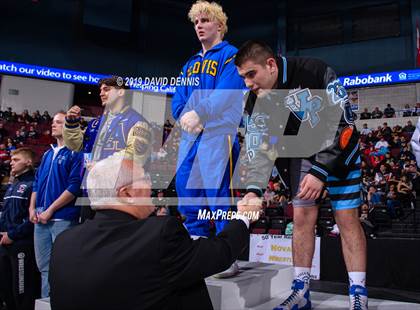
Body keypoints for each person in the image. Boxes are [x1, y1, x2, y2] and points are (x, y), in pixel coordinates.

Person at [235, 40, 368, 310]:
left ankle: (358, 294)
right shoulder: (253, 100)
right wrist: (253, 189)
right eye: (243, 77)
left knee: (347, 220)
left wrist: (320, 171)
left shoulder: (315, 71)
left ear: (270, 65)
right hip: (299, 157)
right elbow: (258, 148)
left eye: (251, 74)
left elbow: (344, 122)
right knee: (302, 219)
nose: (248, 83)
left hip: (339, 155)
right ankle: (301, 291)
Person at [49, 156, 262, 310]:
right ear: (127, 193)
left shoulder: (63, 242)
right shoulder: (159, 234)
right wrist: (243, 216)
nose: (152, 185)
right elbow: (221, 253)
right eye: (145, 178)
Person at [171, 0, 245, 277]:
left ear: (220, 25)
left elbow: (227, 92)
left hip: (218, 133)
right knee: (186, 190)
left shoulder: (231, 56)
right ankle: (198, 245)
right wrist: (184, 117)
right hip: (190, 136)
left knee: (218, 194)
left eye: (205, 20)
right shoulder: (190, 63)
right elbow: (178, 100)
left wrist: (200, 114)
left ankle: (228, 256)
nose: (199, 26)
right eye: (196, 22)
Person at [63, 76, 152, 220]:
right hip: (90, 191)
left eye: (106, 89)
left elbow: (135, 155)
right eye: (100, 90)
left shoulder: (137, 122)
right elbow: (77, 146)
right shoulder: (95, 123)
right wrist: (72, 125)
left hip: (118, 197)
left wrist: (100, 166)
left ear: (121, 92)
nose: (101, 93)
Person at [28, 112, 84, 298]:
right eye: (53, 122)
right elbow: (36, 183)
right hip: (40, 219)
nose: (53, 125)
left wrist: (50, 210)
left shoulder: (76, 153)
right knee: (44, 268)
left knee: (63, 267)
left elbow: (74, 186)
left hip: (63, 218)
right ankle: (46, 303)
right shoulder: (46, 154)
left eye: (59, 122)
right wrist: (32, 208)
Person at [0, 148, 40, 310]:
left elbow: (32, 218)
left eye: (16, 160)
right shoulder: (12, 186)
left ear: (28, 162)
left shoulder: (33, 185)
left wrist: (13, 234)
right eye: (11, 159)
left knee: (21, 289)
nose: (11, 162)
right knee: (5, 286)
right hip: (5, 243)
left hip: (21, 244)